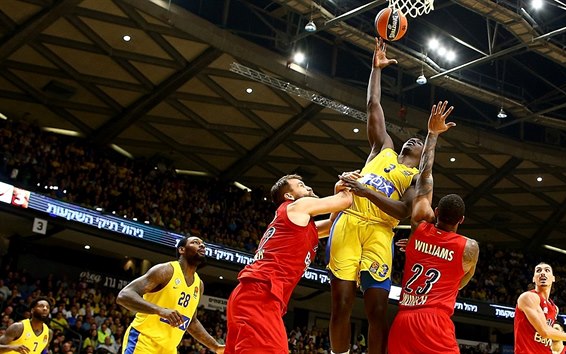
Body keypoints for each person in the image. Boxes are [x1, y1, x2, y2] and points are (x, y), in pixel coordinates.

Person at [327, 37, 427, 354]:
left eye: (420, 140)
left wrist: (366, 190)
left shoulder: (416, 178)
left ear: (424, 155)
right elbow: (373, 105)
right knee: (341, 302)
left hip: (380, 233)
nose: (413, 137)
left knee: (378, 310)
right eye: (412, 136)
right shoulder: (383, 148)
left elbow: (403, 212)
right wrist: (376, 70)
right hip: (350, 222)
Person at [386, 102, 480, 354]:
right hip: (434, 321)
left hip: (403, 319)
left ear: (436, 212)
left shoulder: (419, 226)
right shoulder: (469, 247)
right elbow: (464, 277)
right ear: (461, 220)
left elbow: (425, 173)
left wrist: (433, 134)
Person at [225, 174, 353, 354]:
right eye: (301, 185)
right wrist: (349, 184)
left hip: (252, 295)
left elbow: (334, 223)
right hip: (260, 295)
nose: (309, 188)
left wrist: (339, 192)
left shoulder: (299, 221)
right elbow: (346, 200)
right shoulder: (297, 207)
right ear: (289, 196)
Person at [116, 236, 225, 354]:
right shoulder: (166, 271)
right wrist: (160, 310)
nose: (202, 245)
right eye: (195, 242)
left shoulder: (199, 285)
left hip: (169, 349)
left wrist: (216, 346)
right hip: (143, 341)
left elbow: (191, 322)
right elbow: (124, 295)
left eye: (203, 243)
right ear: (182, 250)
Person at [514, 262, 566, 353]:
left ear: (553, 278)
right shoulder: (528, 297)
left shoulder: (554, 308)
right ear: (533, 279)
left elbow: (547, 337)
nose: (542, 273)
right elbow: (545, 332)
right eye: (538, 270)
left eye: (547, 270)